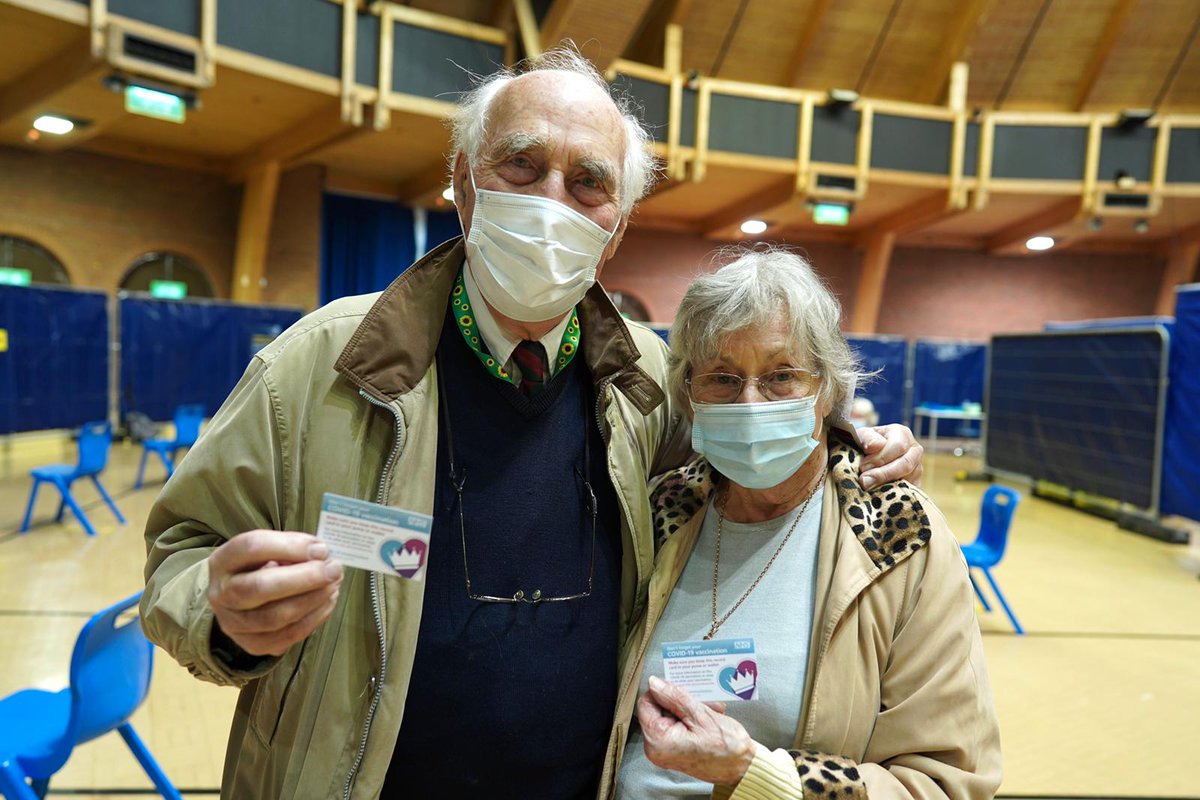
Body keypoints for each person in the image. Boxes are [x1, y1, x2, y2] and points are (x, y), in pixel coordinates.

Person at [139, 48, 924, 799]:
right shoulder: (315, 368)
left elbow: (758, 451)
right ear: (465, 184)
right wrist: (224, 613)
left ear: (615, 228)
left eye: (588, 182)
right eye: (521, 164)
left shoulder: (651, 385)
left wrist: (860, 443)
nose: (552, 200)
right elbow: (182, 552)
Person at [610, 247, 1000, 800]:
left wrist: (757, 776)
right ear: (689, 396)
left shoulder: (901, 539)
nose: (749, 402)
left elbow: (945, 782)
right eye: (721, 378)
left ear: (828, 390)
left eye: (781, 375)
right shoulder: (659, 514)